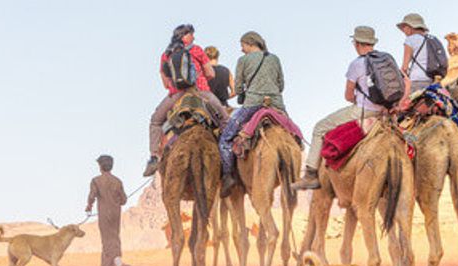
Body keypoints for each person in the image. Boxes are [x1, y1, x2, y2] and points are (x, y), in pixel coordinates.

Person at [290, 26, 385, 191]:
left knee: (320, 127)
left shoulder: (357, 64)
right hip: (384, 112)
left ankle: (311, 174)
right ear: (372, 42)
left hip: (363, 111)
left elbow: (348, 96)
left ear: (356, 43)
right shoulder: (384, 60)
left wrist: (362, 99)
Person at [144, 24, 229, 176]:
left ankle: (154, 157)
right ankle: (228, 156)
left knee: (155, 121)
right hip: (200, 91)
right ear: (184, 36)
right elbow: (211, 74)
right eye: (191, 34)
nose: (194, 37)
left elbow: (165, 83)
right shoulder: (196, 50)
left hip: (176, 94)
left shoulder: (166, 55)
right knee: (225, 118)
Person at [218, 31, 286, 192]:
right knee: (295, 135)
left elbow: (239, 88)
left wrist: (242, 97)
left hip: (252, 104)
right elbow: (281, 85)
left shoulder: (243, 60)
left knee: (225, 139)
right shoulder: (274, 58)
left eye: (242, 46)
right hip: (276, 104)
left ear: (249, 44)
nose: (241, 50)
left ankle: (228, 176)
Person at [86, 155, 131, 266]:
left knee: (107, 240)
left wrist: (89, 206)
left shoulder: (96, 180)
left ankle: (119, 265)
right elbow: (124, 200)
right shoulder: (117, 181)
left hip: (104, 214)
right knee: (114, 238)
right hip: (116, 214)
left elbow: (92, 196)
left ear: (100, 166)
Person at [397, 12, 433, 93]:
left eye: (404, 27)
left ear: (410, 27)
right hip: (432, 80)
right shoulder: (430, 40)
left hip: (417, 81)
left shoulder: (410, 40)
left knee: (402, 104)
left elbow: (404, 68)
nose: (403, 30)